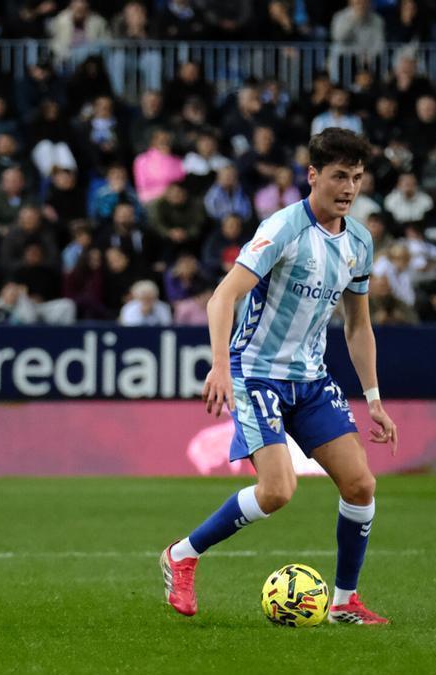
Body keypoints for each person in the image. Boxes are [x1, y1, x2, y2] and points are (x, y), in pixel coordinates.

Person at [162, 129, 396, 626]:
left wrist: (373, 398)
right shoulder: (283, 228)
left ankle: (344, 603)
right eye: (339, 176)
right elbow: (221, 298)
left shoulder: (359, 240)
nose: (349, 188)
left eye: (356, 177)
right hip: (257, 374)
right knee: (277, 491)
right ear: (313, 176)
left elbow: (358, 325)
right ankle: (182, 554)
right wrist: (221, 366)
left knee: (360, 485)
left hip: (310, 379)